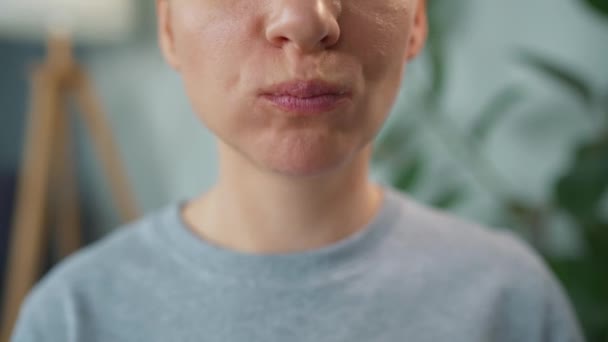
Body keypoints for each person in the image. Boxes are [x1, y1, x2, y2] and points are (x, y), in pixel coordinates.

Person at [11, 0, 583, 341]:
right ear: (168, 26)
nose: (307, 20)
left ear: (415, 21)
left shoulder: (511, 302)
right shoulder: (75, 317)